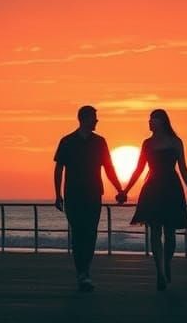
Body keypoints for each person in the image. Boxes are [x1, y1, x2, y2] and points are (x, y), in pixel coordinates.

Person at [120, 108, 187, 291]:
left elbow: (184, 168)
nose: (149, 122)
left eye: (152, 119)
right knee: (155, 230)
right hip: (153, 187)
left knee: (170, 232)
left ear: (162, 121)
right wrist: (125, 190)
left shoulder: (176, 142)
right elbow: (138, 169)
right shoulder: (147, 143)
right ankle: (160, 272)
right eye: (149, 119)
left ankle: (167, 262)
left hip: (171, 186)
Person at [53, 105, 124, 293]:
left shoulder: (100, 142)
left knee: (90, 233)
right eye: (94, 117)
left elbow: (108, 168)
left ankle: (85, 272)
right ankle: (82, 273)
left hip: (93, 193)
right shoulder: (67, 141)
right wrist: (57, 194)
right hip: (73, 194)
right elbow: (59, 168)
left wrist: (119, 189)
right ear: (83, 118)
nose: (97, 121)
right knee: (78, 233)